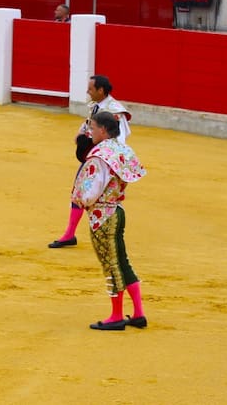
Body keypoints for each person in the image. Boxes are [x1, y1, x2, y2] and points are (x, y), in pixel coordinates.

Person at [71, 110, 147, 331]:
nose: (90, 132)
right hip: (118, 209)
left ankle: (116, 315)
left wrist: (83, 202)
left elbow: (89, 192)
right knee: (123, 262)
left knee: (110, 264)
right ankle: (139, 313)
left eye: (92, 128)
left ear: (103, 130)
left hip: (102, 215)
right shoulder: (122, 149)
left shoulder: (99, 156)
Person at [49, 75, 131, 248]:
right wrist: (81, 135)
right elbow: (88, 125)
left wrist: (107, 159)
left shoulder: (115, 112)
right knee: (80, 191)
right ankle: (70, 234)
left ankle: (109, 236)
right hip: (95, 158)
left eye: (91, 89)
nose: (87, 91)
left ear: (101, 90)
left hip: (106, 162)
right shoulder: (97, 107)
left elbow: (120, 138)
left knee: (106, 200)